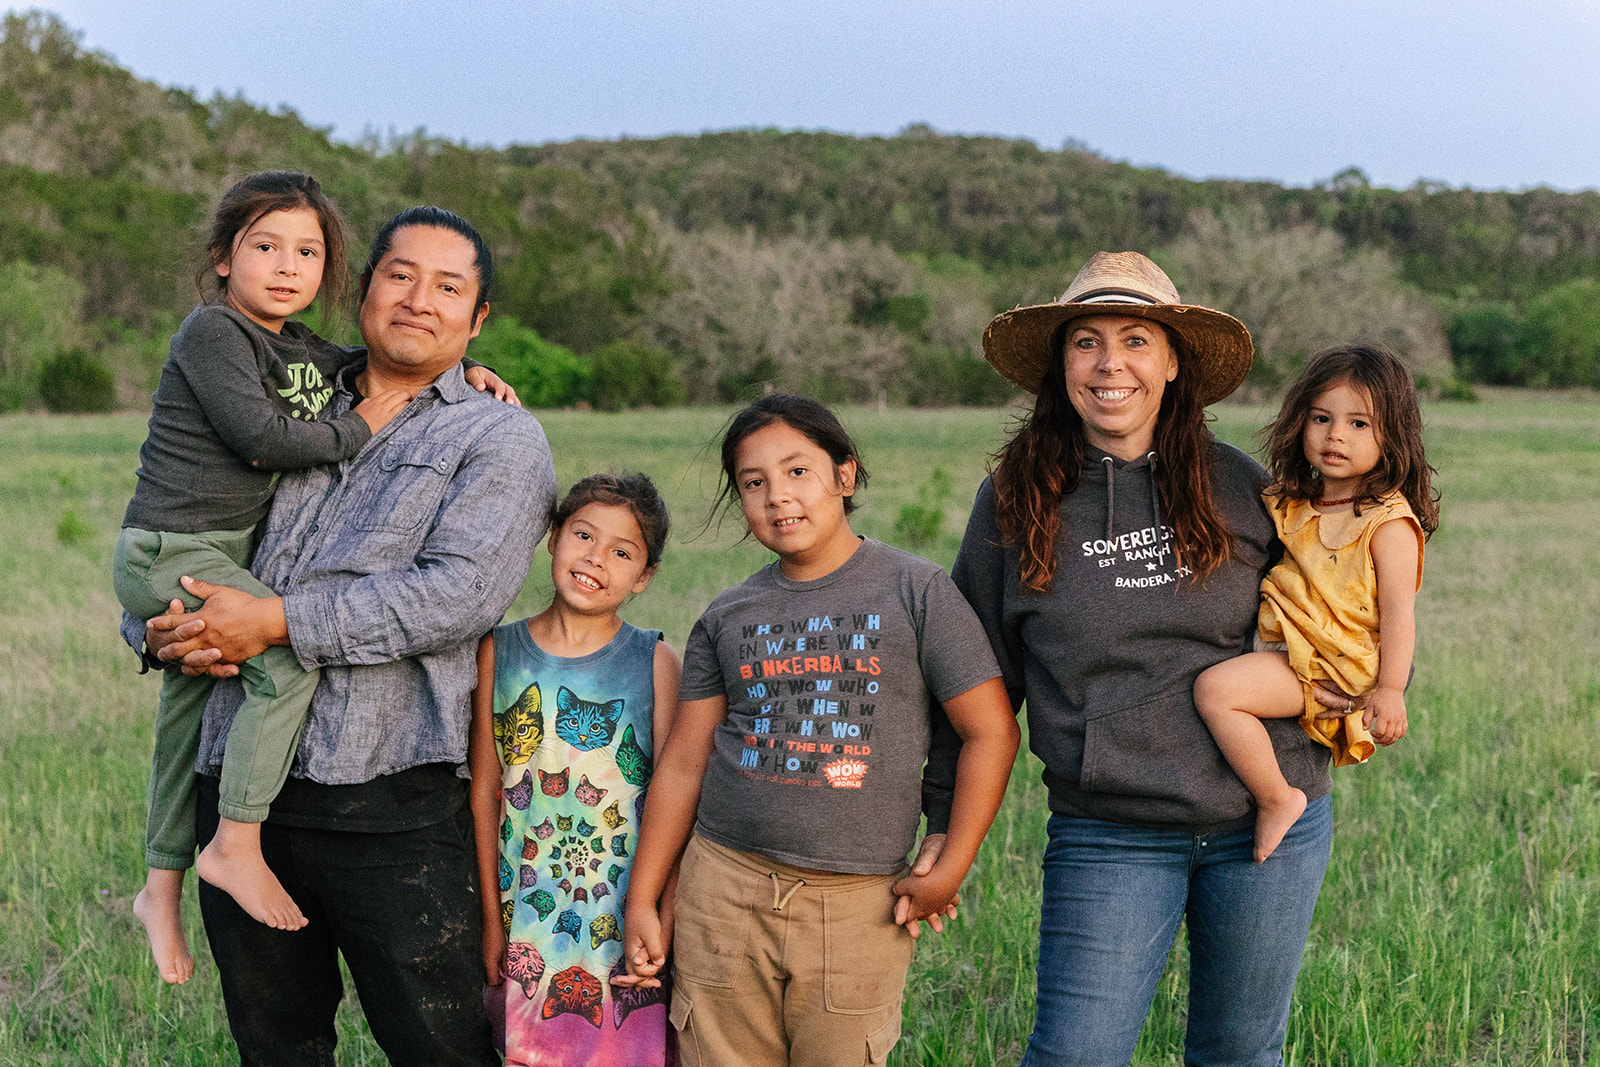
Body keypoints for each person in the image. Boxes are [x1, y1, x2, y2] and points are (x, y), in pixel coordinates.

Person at [136, 205, 555, 1065]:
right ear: (363, 289)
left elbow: (458, 595)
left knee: (441, 1045)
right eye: (400, 275)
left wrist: (274, 621)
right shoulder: (276, 398)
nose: (418, 300)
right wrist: (159, 632)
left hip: (391, 798)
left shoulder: (498, 435)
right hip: (237, 794)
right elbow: (180, 521)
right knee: (276, 1044)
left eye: (448, 288)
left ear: (477, 320)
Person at [927, 251, 1360, 1066]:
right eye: (1086, 341)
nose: (1110, 363)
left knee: (1239, 1052)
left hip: (1268, 821)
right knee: (1074, 1055)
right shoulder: (1014, 498)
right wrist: (941, 825)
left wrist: (1358, 681)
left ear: (1171, 363)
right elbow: (973, 683)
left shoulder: (1242, 487)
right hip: (1109, 830)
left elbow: (1333, 607)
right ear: (1061, 365)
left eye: (1135, 340)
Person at [622, 394, 1020, 1067]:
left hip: (858, 905)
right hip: (721, 892)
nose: (778, 495)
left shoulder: (917, 591)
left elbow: (992, 732)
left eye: (798, 471)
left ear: (844, 474)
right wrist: (643, 897)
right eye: (753, 482)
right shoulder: (728, 615)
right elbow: (685, 764)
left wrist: (951, 865)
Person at [469, 473, 682, 1066]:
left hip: (621, 918)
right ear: (553, 537)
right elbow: (484, 792)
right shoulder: (498, 651)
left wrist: (664, 918)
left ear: (644, 576)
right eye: (583, 535)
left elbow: (674, 802)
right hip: (525, 914)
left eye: (622, 552)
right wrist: (491, 921)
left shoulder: (655, 661)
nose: (596, 558)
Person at [1195, 344, 1437, 862]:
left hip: (1330, 662)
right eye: (1321, 418)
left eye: (1359, 424)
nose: (1335, 436)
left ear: (1393, 436)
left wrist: (1390, 689)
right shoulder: (1297, 502)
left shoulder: (1387, 523)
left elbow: (1399, 612)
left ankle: (1277, 797)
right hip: (1296, 648)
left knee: (1216, 691)